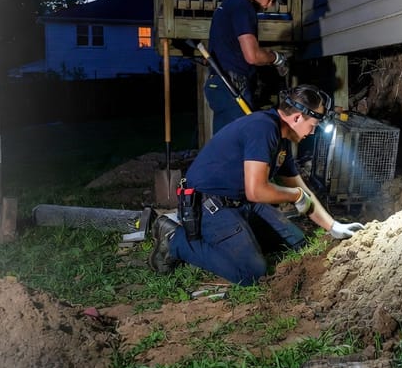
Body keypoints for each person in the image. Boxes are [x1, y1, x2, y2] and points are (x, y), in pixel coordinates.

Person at [148, 84, 366, 285]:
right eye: (313, 125)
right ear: (298, 117)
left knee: (297, 242)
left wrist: (333, 226)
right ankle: (174, 239)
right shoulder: (262, 128)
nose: (312, 132)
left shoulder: (281, 140)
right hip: (209, 204)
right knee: (252, 272)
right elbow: (258, 191)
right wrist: (295, 196)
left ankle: (233, 238)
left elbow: (303, 190)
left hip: (240, 202)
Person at [205, 0, 290, 132]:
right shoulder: (243, 7)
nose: (270, 5)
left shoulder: (231, 2)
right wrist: (276, 58)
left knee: (225, 145)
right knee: (240, 144)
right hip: (233, 88)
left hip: (219, 85)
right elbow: (252, 56)